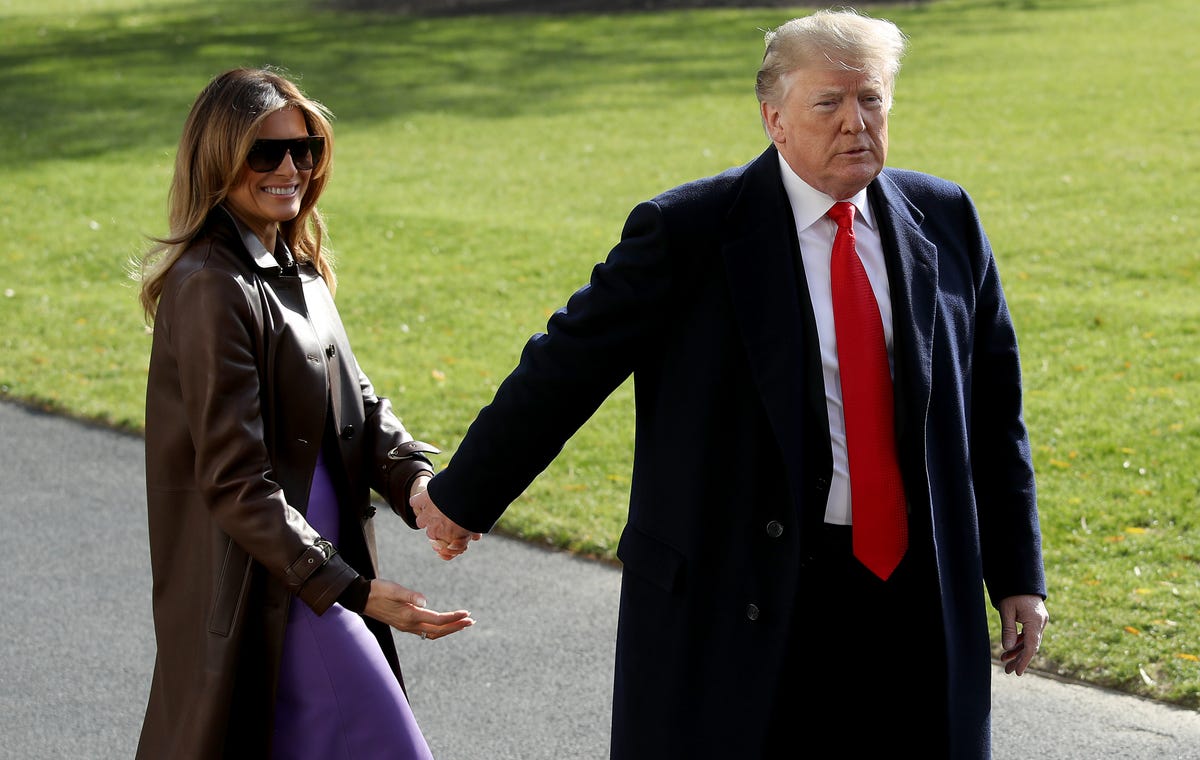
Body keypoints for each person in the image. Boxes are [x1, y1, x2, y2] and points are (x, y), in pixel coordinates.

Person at [412, 8, 1049, 759]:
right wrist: (462, 497)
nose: (856, 123)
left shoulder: (945, 218)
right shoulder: (690, 232)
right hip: (746, 595)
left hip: (912, 597)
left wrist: (1017, 574)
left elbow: (992, 412)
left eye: (871, 99)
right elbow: (566, 366)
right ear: (774, 118)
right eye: (829, 103)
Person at [134, 67, 474, 760]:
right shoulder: (209, 287)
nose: (291, 167)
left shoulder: (295, 265)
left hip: (313, 577)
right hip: (281, 591)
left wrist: (418, 486)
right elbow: (235, 482)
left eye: (305, 149)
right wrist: (354, 591)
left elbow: (357, 405)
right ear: (218, 159)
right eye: (266, 153)